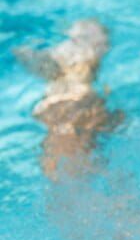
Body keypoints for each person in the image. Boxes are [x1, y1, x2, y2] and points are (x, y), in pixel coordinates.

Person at [14, 19, 123, 180]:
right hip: (94, 103)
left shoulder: (67, 52)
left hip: (64, 105)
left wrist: (23, 50)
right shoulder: (91, 61)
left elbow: (31, 59)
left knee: (61, 169)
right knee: (85, 163)